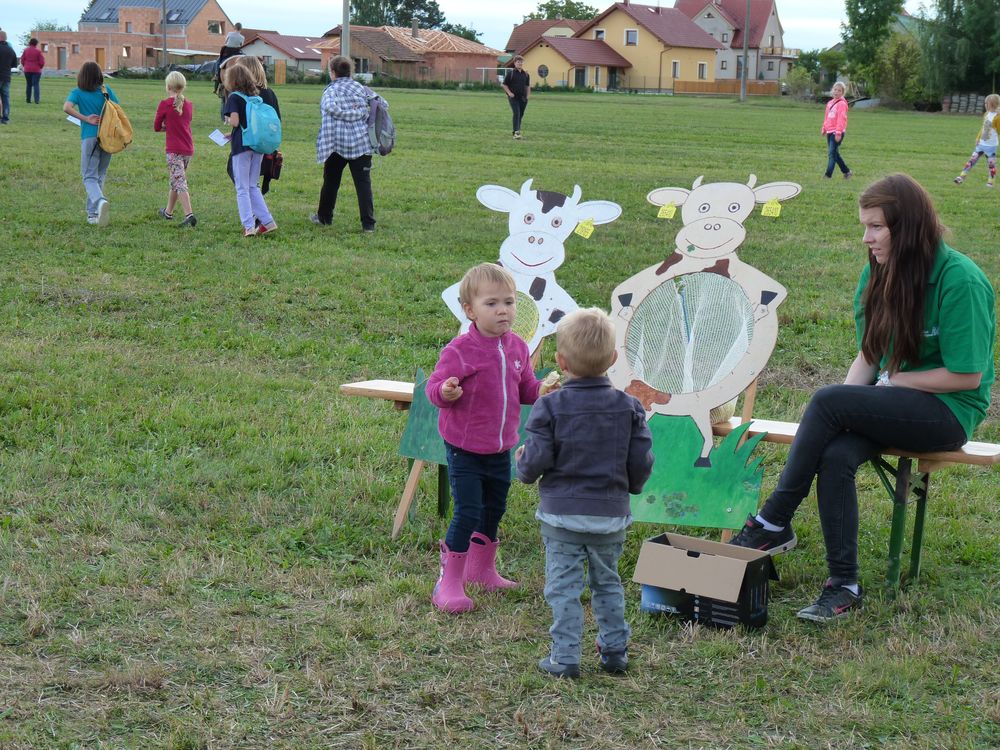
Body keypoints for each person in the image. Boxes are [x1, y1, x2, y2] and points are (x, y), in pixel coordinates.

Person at [730, 173, 995, 623]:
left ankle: (773, 520)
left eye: (876, 227)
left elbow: (966, 377)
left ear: (907, 227)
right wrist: (852, 405)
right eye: (864, 226)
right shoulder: (877, 271)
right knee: (836, 452)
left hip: (948, 412)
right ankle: (844, 585)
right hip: (896, 401)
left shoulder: (960, 280)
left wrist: (890, 385)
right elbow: (871, 355)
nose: (866, 238)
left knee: (829, 400)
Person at [516, 308, 654, 679]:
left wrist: (523, 465)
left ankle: (565, 657)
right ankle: (614, 652)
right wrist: (631, 488)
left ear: (561, 362)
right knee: (607, 583)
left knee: (563, 588)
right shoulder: (629, 407)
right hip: (610, 516)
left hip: (562, 517)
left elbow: (537, 456)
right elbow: (641, 459)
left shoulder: (550, 406)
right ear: (613, 358)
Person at [425, 263, 555, 614]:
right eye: (492, 304)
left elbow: (525, 388)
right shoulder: (460, 350)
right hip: (464, 448)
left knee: (495, 507)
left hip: (500, 448)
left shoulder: (518, 348)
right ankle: (449, 580)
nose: (503, 311)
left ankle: (481, 570)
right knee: (468, 510)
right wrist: (445, 391)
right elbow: (433, 388)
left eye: (509, 303)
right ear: (470, 310)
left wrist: (541, 390)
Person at [312, 55, 376, 232]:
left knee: (331, 182)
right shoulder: (361, 89)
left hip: (336, 144)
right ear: (350, 72)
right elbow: (381, 104)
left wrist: (345, 113)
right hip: (362, 143)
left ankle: (324, 218)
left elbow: (329, 107)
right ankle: (368, 224)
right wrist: (359, 111)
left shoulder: (331, 91)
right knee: (363, 185)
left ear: (332, 72)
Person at [222, 62, 278, 237]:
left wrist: (228, 121)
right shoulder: (254, 97)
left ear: (232, 81)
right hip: (256, 146)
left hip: (242, 147)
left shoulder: (234, 97)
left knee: (242, 187)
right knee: (253, 185)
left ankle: (248, 225)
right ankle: (268, 221)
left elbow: (235, 122)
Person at [62, 61, 119, 226]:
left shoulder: (77, 92)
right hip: (107, 137)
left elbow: (67, 107)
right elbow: (117, 109)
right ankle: (93, 214)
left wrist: (86, 118)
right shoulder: (106, 91)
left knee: (88, 176)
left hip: (89, 137)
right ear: (99, 75)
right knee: (100, 174)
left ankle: (99, 201)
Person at [226, 56, 280, 196]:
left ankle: (250, 206)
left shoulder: (244, 95)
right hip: (266, 143)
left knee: (241, 180)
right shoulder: (270, 93)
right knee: (252, 183)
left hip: (247, 143)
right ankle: (254, 205)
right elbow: (276, 120)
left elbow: (242, 121)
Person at [154, 71, 197, 227]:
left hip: (174, 150)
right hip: (188, 148)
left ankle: (189, 214)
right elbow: (184, 122)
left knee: (180, 182)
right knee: (176, 180)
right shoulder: (189, 105)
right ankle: (168, 212)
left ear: (168, 86)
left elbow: (156, 127)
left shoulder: (165, 104)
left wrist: (167, 127)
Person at [953, 93, 999, 187]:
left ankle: (990, 182)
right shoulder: (986, 114)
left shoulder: (997, 117)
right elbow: (983, 127)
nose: (985, 105)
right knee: (971, 160)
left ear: (993, 105)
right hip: (981, 144)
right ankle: (961, 176)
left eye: (987, 103)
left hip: (991, 146)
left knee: (991, 165)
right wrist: (978, 137)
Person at [822, 81, 852, 179]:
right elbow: (827, 117)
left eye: (839, 91)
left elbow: (841, 119)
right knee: (835, 154)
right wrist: (824, 128)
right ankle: (847, 172)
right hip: (829, 131)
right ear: (832, 90)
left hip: (837, 132)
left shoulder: (842, 104)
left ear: (842, 93)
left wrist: (838, 132)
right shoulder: (830, 103)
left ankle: (828, 175)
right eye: (835, 90)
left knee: (831, 154)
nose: (836, 92)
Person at [501, 55, 530, 140]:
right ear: (514, 63)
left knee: (520, 114)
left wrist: (528, 96)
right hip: (514, 98)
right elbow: (504, 85)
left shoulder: (526, 74)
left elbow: (527, 86)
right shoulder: (511, 74)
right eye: (518, 62)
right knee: (516, 113)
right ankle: (516, 133)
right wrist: (509, 93)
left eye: (521, 62)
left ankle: (517, 131)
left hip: (523, 98)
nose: (520, 63)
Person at [0, 31, 18, 124]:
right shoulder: (10, 50)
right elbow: (14, 64)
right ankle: (5, 117)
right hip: (6, 77)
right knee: (5, 98)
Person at [20, 38, 44, 105]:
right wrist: (40, 67)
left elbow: (22, 60)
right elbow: (42, 61)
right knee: (36, 84)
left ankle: (28, 99)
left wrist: (25, 65)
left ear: (30, 43)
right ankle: (36, 100)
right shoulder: (38, 51)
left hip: (27, 69)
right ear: (36, 43)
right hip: (36, 70)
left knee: (28, 84)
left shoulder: (25, 50)